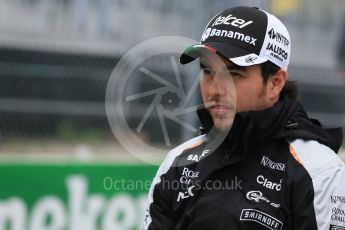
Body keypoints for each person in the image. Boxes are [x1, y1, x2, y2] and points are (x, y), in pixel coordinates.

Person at [143, 6, 345, 230]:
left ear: (275, 83)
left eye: (234, 74)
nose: (216, 89)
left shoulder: (318, 171)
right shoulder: (179, 162)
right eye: (208, 71)